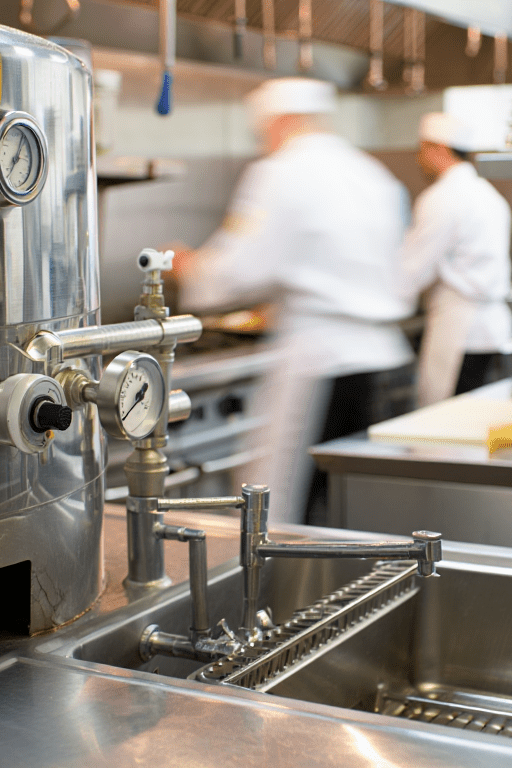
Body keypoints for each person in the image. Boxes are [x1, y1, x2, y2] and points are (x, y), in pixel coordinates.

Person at [175, 77, 414, 525]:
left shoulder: (282, 171)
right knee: (363, 511)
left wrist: (189, 268)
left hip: (323, 363)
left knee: (286, 507)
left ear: (278, 122)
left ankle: (290, 594)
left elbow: (242, 267)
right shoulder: (369, 172)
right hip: (387, 360)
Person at [400, 113, 512, 407]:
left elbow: (412, 270)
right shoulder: (489, 196)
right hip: (494, 331)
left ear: (438, 148)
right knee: (480, 422)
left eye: (421, 150)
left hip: (461, 329)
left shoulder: (442, 197)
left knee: (446, 425)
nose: (418, 159)